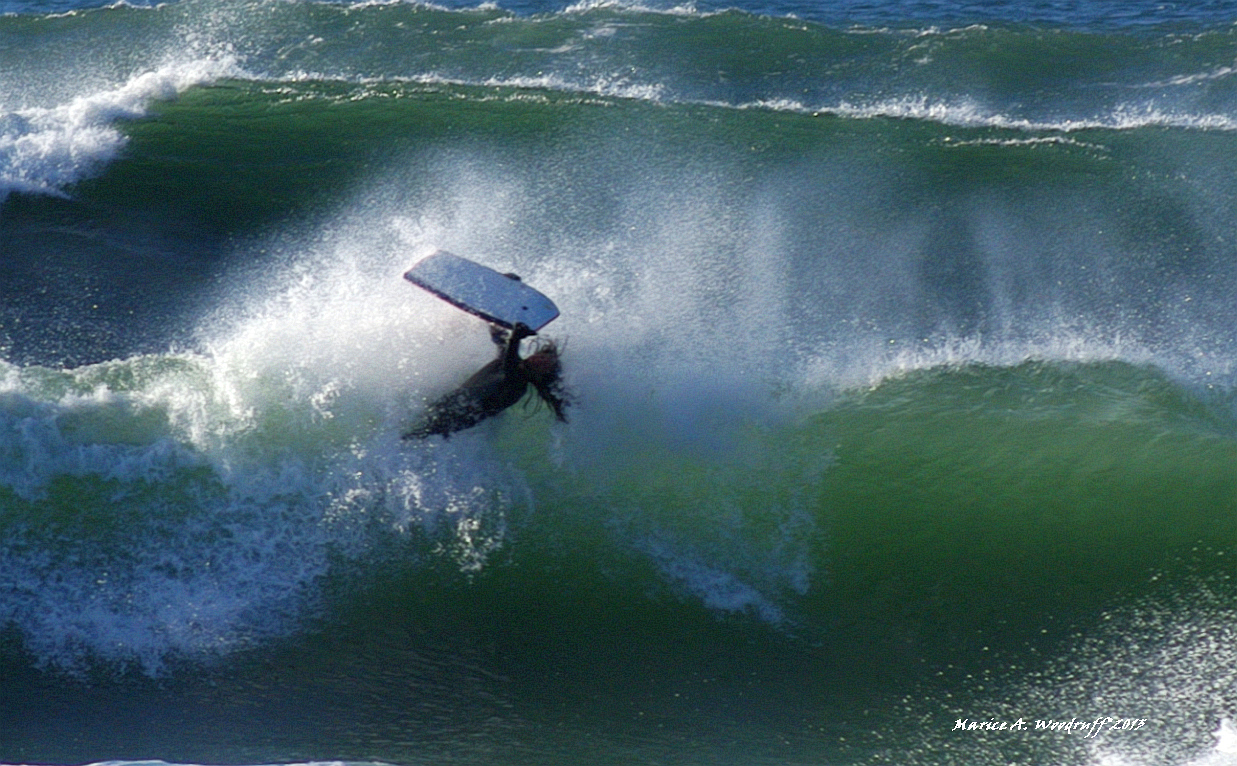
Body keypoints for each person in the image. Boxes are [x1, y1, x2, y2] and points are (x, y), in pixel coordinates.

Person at [403, 321, 570, 439]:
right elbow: (499, 337)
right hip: (453, 404)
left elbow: (510, 366)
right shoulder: (508, 361)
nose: (538, 360)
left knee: (412, 436)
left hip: (458, 417)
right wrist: (500, 304)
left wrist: (516, 337)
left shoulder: (518, 386)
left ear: (541, 375)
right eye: (541, 357)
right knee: (412, 427)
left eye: (543, 365)